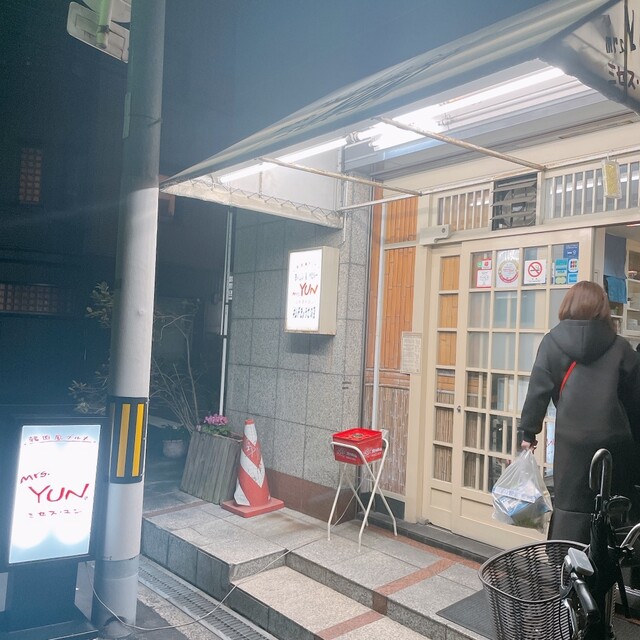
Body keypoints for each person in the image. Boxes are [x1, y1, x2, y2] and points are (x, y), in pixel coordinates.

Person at [520, 280, 640, 543]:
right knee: (611, 505)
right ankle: (608, 560)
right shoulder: (620, 347)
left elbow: (538, 390)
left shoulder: (552, 342)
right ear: (602, 309)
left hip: (571, 444)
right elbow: (635, 401)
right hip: (615, 443)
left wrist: (528, 432)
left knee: (571, 506)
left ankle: (568, 557)